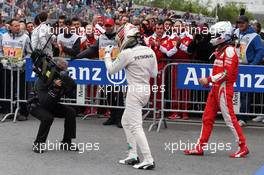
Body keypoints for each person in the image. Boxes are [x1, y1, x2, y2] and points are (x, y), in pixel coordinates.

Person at [184, 21, 249, 158]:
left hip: (224, 89)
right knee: (207, 118)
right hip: (216, 89)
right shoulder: (221, 50)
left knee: (230, 119)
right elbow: (221, 71)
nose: (213, 37)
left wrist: (209, 79)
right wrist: (211, 82)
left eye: (215, 34)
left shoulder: (230, 50)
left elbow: (227, 73)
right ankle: (199, 147)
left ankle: (243, 146)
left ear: (223, 35)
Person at [104, 23, 156, 170]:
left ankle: (148, 159)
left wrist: (107, 55)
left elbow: (112, 70)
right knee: (126, 122)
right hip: (146, 89)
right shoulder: (149, 50)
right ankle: (133, 154)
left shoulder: (127, 53)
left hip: (134, 91)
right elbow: (155, 73)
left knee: (135, 125)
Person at [77, 18, 124, 128]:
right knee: (108, 94)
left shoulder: (119, 37)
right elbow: (92, 50)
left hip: (117, 68)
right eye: (106, 26)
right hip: (105, 68)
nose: (108, 27)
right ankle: (112, 116)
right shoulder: (101, 37)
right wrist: (77, 56)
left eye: (110, 26)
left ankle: (120, 118)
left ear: (114, 26)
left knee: (119, 94)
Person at [30, 57, 78, 153]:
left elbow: (72, 95)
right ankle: (38, 144)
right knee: (48, 118)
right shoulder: (44, 78)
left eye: (65, 69)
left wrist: (69, 86)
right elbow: (45, 101)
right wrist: (55, 88)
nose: (65, 72)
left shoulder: (61, 79)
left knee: (70, 112)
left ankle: (66, 143)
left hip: (50, 104)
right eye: (62, 69)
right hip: (36, 104)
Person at [234, 16, 264, 127]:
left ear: (247, 23)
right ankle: (238, 116)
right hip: (238, 66)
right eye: (238, 23)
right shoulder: (237, 33)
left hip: (248, 67)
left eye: (242, 22)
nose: (239, 24)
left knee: (245, 94)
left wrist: (252, 65)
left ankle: (243, 118)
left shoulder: (254, 36)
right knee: (239, 92)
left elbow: (260, 52)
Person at [0, 19, 32, 120]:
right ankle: (8, 110)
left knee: (21, 91)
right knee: (7, 90)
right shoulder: (3, 36)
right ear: (10, 27)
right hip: (7, 68)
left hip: (20, 69)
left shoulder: (25, 37)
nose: (18, 27)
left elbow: (30, 53)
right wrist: (2, 60)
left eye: (19, 25)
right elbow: (0, 50)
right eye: (15, 26)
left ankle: (23, 112)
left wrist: (23, 62)